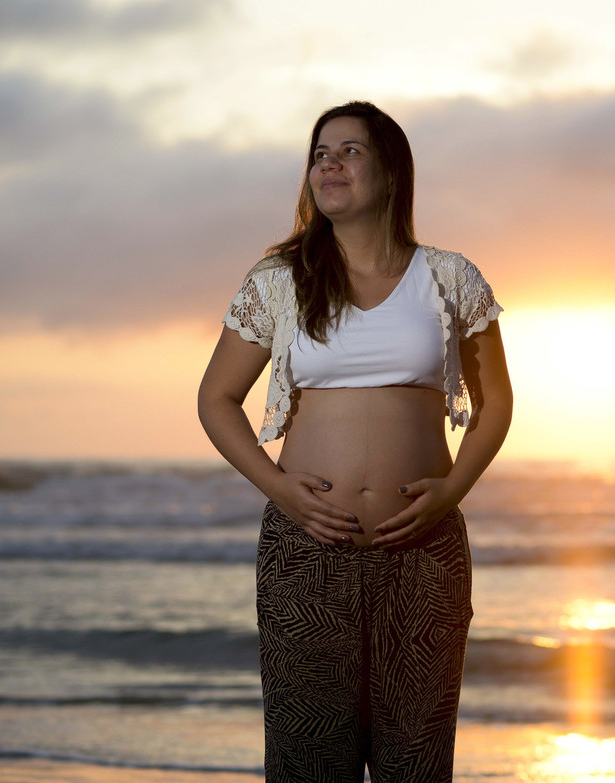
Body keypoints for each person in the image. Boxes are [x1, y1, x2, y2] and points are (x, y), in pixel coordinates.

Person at [197, 100, 513, 782]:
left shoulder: (451, 277)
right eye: (319, 154)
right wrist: (280, 489)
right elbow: (216, 400)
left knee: (417, 763)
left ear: (391, 173)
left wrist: (452, 491)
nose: (329, 164)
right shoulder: (279, 282)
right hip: (306, 552)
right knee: (308, 762)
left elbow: (495, 405)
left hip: (424, 552)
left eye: (349, 151)